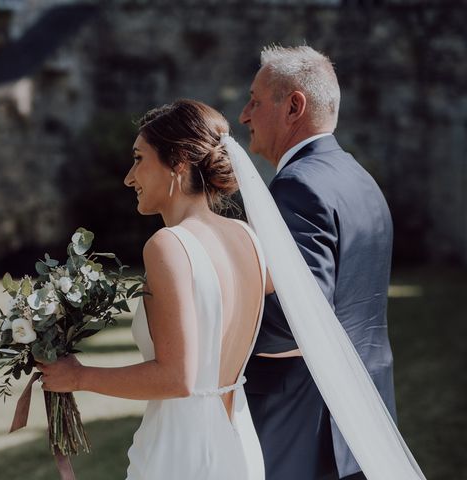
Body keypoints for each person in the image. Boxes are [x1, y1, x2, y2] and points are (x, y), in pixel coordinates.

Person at [39, 99, 269, 479]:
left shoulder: (169, 245)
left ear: (177, 162)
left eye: (139, 159)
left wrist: (78, 377)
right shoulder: (248, 237)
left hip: (184, 452)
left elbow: (177, 379)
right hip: (239, 440)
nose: (130, 177)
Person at [238, 45, 396, 480]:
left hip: (305, 422)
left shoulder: (297, 188)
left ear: (294, 106)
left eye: (254, 99)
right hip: (364, 411)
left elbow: (295, 318)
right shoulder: (358, 178)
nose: (243, 115)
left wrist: (216, 328)